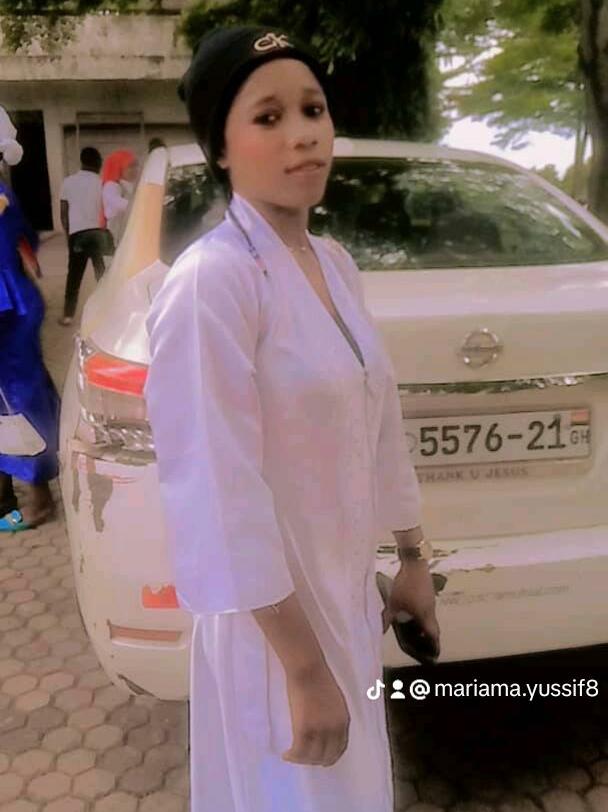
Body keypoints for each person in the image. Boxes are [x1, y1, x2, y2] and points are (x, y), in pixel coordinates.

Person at [143, 26, 440, 812]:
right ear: (221, 148)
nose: (303, 133)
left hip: (347, 603)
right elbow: (216, 493)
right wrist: (304, 670)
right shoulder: (212, 284)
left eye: (313, 109)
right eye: (268, 117)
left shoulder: (333, 264)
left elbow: (379, 421)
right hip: (273, 633)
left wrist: (411, 556)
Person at [0, 107, 59, 531]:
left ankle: (40, 496)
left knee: (20, 398)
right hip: (13, 300)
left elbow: (23, 241)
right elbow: (28, 240)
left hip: (9, 308)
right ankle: (8, 493)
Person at [57, 146, 107, 327]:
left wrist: (68, 235)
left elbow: (64, 213)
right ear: (98, 163)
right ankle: (107, 312)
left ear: (82, 161)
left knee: (74, 276)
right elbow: (107, 211)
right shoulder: (102, 183)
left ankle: (68, 316)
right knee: (102, 274)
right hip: (98, 234)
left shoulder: (68, 182)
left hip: (77, 234)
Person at [100, 149, 138, 248]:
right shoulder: (111, 185)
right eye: (130, 166)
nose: (135, 170)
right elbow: (117, 203)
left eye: (135, 166)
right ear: (119, 167)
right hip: (116, 236)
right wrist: (141, 205)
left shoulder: (129, 185)